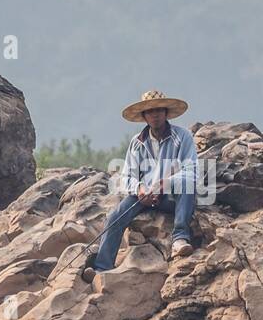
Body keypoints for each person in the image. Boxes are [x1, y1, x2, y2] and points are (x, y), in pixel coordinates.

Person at [82, 89, 197, 282]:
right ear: (144, 116)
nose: (155, 115)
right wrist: (140, 190)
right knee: (115, 217)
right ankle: (102, 268)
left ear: (166, 113)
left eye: (159, 110)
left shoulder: (182, 136)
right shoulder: (137, 143)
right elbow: (127, 176)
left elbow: (191, 171)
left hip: (171, 195)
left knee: (188, 185)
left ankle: (179, 239)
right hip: (145, 196)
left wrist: (166, 183)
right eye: (150, 111)